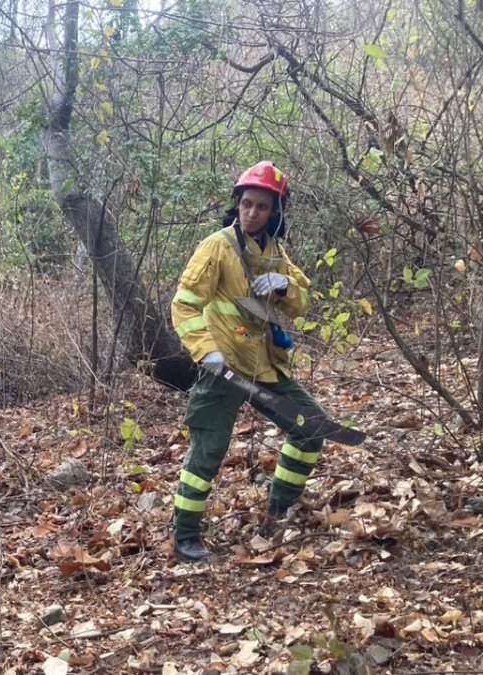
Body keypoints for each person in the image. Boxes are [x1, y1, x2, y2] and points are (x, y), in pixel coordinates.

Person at [169, 161, 326, 562]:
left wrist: (286, 284)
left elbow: (304, 303)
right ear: (236, 203)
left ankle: (279, 511)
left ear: (275, 211)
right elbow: (184, 306)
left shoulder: (275, 252)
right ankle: (186, 537)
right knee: (208, 450)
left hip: (265, 365)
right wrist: (208, 352)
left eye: (261, 206)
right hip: (222, 368)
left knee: (310, 429)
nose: (252, 212)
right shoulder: (217, 246)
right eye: (246, 203)